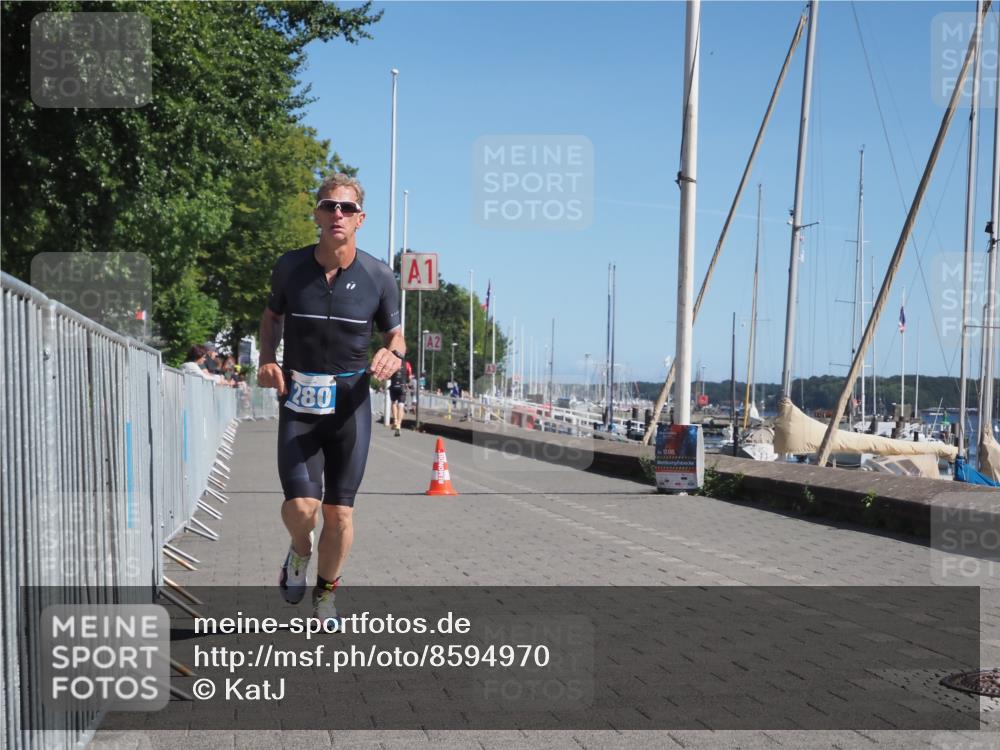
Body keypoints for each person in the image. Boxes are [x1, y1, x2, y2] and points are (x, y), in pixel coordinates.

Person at [257, 173, 404, 627]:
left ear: (360, 218)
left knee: (339, 514)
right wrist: (266, 358)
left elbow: (396, 335)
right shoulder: (290, 267)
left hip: (351, 407)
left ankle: (325, 594)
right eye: (328, 206)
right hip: (299, 403)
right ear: (317, 214)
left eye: (345, 208)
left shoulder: (380, 275)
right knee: (303, 508)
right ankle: (299, 552)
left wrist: (392, 354)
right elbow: (271, 316)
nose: (336, 214)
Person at [389, 360, 411, 437]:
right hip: (402, 386)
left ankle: (395, 420)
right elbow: (409, 375)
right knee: (401, 405)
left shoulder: (392, 362)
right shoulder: (407, 364)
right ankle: (398, 424)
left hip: (393, 386)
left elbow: (388, 375)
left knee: (393, 403)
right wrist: (407, 381)